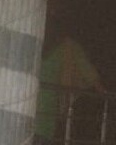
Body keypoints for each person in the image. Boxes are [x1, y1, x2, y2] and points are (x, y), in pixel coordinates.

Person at [35, 16, 102, 145]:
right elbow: (88, 73)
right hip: (47, 109)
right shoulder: (69, 46)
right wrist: (104, 93)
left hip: (28, 103)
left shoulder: (37, 41)